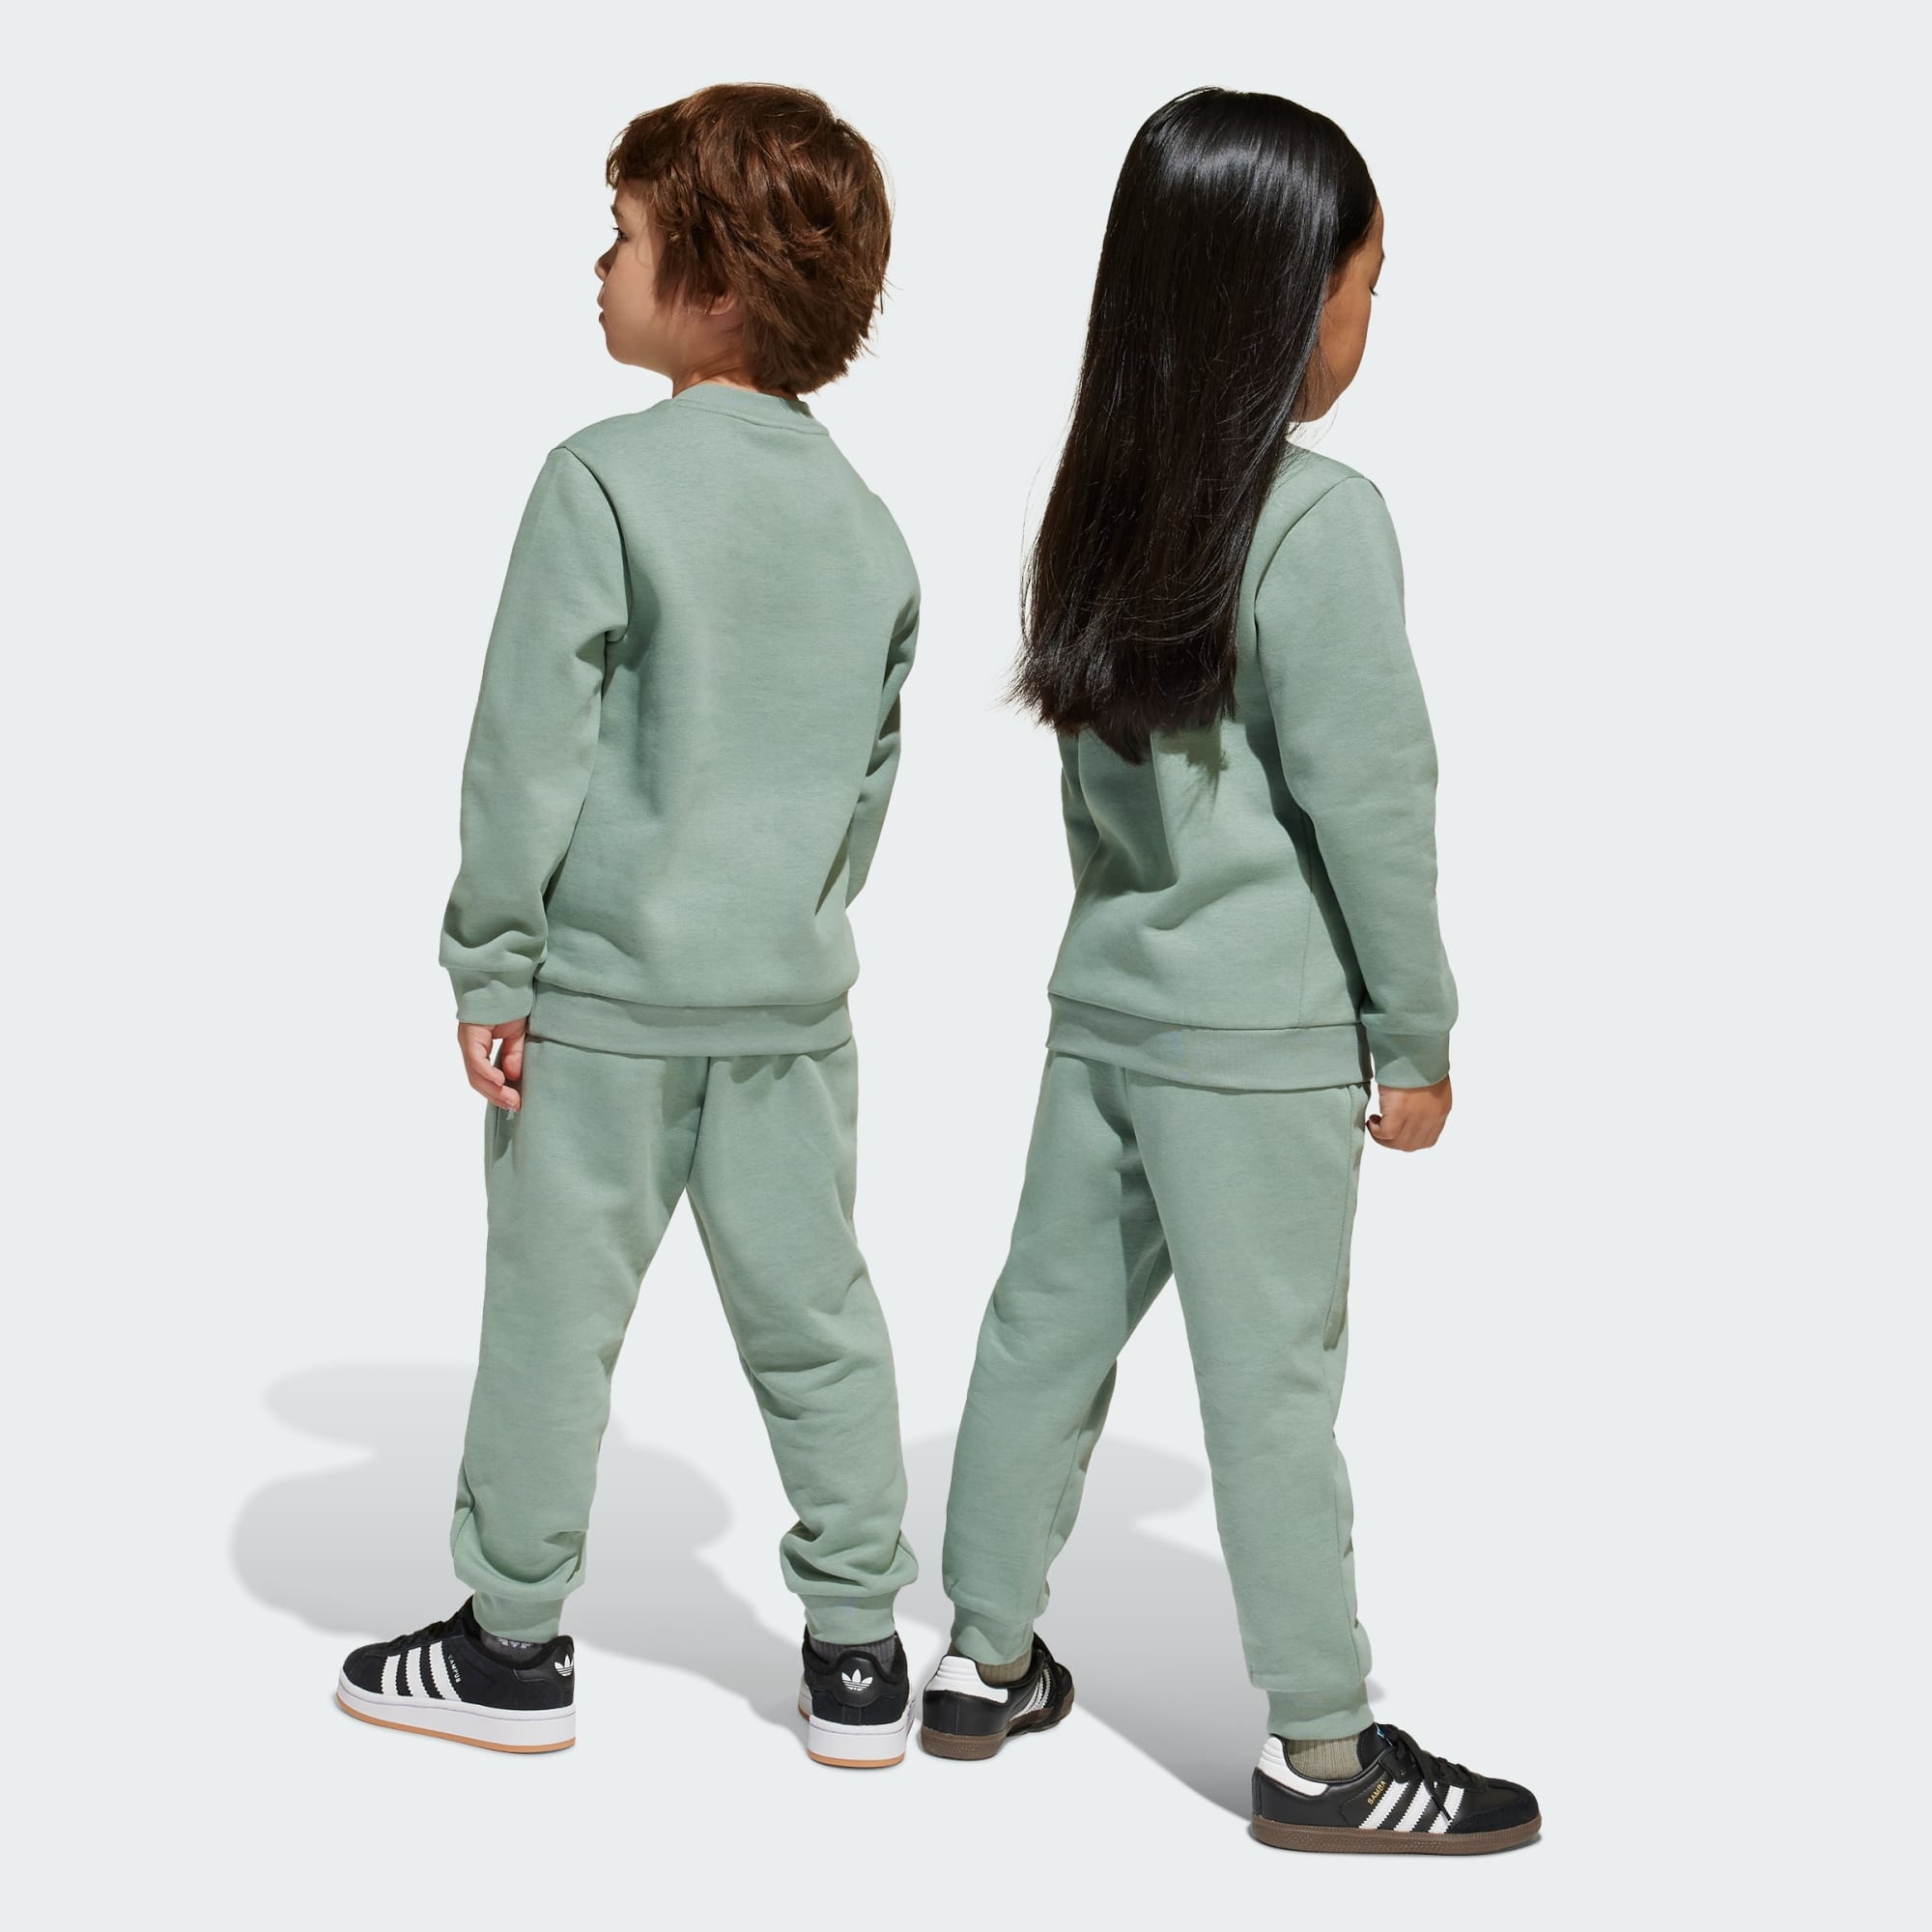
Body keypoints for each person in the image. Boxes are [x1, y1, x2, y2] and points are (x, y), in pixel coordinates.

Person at [921, 88, 1541, 1853]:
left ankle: (978, 1659)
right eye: (1365, 281)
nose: (1368, 317)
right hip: (1257, 1040)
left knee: (1040, 1329)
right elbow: (1375, 803)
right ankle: (1322, 1754)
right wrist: (1413, 1031)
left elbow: (1085, 786)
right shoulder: (1320, 521)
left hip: (1104, 1009)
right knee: (1272, 1383)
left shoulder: (1098, 506)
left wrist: (1124, 943)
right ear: (1285, 301)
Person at [334, 84, 922, 1769]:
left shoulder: (598, 482)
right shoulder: (870, 528)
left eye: (625, 236)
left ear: (714, 282)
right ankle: (859, 1655)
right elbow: (867, 785)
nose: (599, 265)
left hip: (601, 1007)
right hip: (790, 1013)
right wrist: (787, 926)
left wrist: (492, 960)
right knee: (818, 1323)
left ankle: (511, 1644)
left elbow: (532, 747)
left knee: (550, 1325)